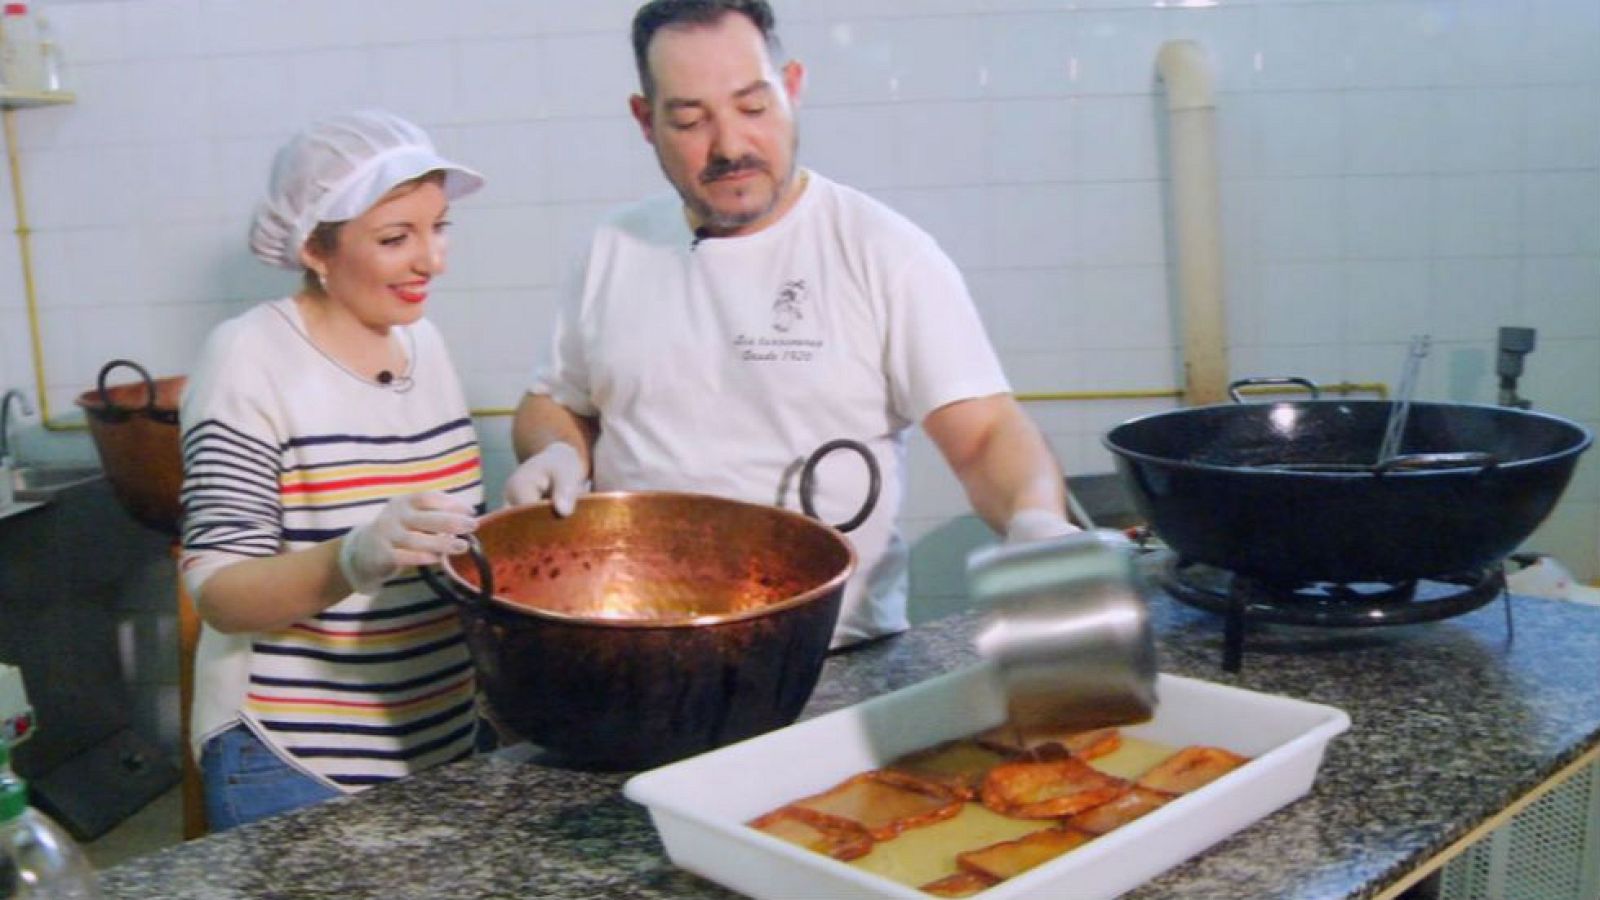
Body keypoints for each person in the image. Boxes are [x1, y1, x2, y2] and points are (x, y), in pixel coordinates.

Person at [506, 0, 1076, 648]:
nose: (730, 146)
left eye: (753, 107)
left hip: (833, 660)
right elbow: (554, 403)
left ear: (794, 87)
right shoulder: (615, 248)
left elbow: (986, 436)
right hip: (638, 652)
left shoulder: (882, 252)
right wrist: (554, 450)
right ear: (645, 120)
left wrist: (1037, 521)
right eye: (690, 119)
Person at [179, 109, 486, 830]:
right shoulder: (247, 359)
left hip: (443, 738)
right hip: (297, 764)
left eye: (439, 228)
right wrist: (352, 558)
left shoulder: (424, 344)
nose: (431, 261)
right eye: (394, 238)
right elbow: (221, 593)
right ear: (316, 248)